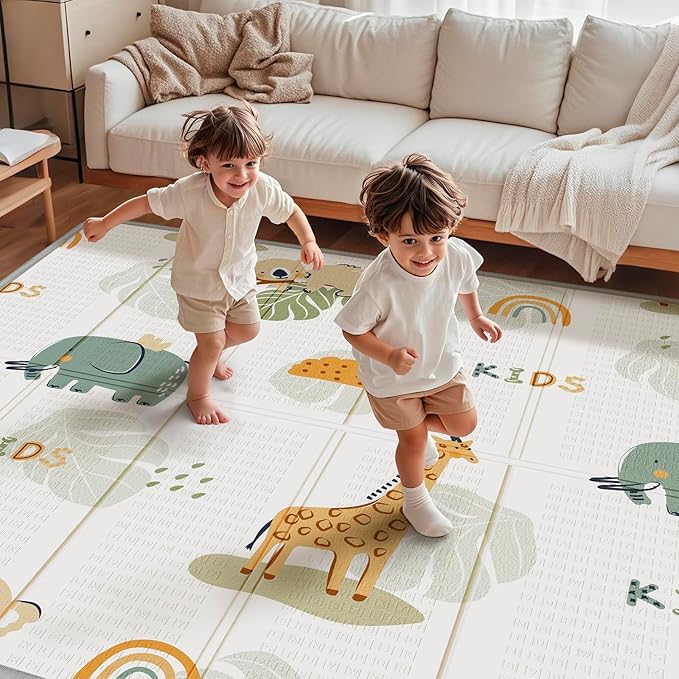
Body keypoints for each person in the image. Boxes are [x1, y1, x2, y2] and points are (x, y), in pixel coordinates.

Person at [84, 103, 324, 425]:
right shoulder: (189, 192)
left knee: (248, 330)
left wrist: (308, 241)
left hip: (239, 280)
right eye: (229, 165)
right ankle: (197, 394)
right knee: (211, 343)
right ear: (205, 162)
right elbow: (145, 204)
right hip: (198, 284)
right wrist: (104, 223)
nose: (242, 175)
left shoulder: (263, 188)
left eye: (251, 163)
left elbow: (291, 210)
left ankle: (209, 354)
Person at [335, 154, 502, 538]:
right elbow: (352, 330)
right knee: (411, 440)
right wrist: (389, 355)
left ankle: (416, 427)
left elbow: (466, 283)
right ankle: (415, 500)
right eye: (410, 241)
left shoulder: (455, 255)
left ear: (449, 230)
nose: (425, 252)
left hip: (441, 363)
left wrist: (476, 316)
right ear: (384, 236)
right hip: (393, 379)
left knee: (464, 424)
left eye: (436, 239)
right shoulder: (379, 283)